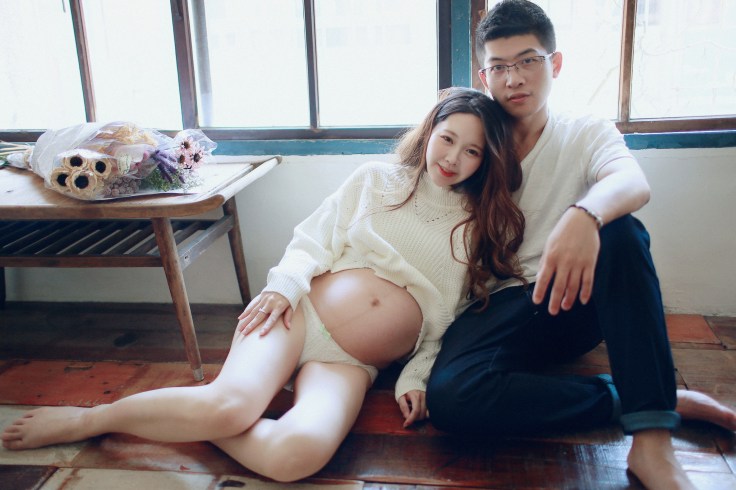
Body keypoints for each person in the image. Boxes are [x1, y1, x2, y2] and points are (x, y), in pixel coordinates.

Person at [2, 87, 526, 482]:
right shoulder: (376, 179)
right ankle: (93, 420)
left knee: (295, 457)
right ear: (429, 132)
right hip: (296, 315)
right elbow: (312, 240)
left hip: (351, 364)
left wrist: (416, 376)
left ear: (488, 160)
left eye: (472, 151)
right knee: (230, 405)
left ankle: (194, 421)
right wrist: (283, 286)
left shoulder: (478, 226)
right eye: (447, 138)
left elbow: (447, 316)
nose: (452, 158)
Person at [425, 3, 736, 490]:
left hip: (568, 298)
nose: (513, 79)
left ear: (555, 63)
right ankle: (644, 397)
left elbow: (631, 180)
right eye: (499, 67)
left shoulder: (584, 130)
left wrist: (583, 214)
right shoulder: (475, 138)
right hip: (495, 304)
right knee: (451, 398)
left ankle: (652, 441)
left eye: (528, 61)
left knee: (622, 231)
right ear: (485, 77)